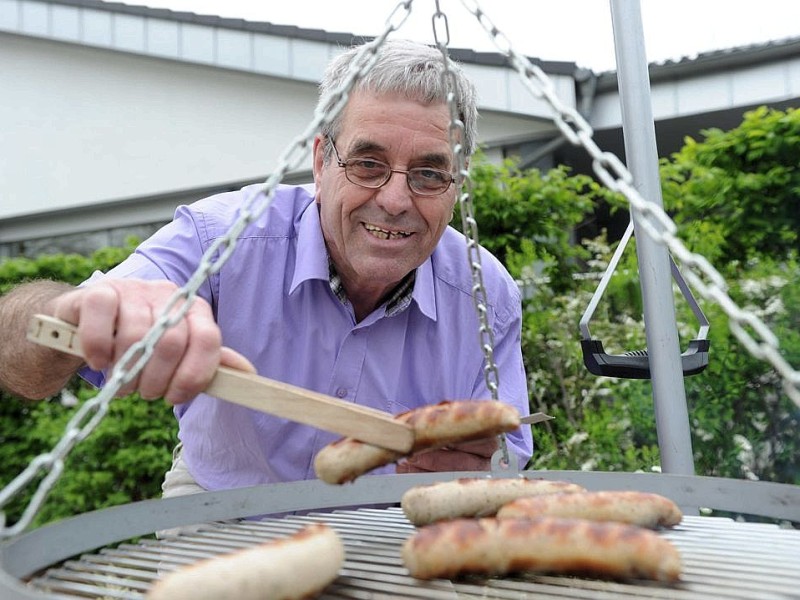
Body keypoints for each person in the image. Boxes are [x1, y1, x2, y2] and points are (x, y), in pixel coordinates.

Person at [0, 39, 533, 498]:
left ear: (457, 185)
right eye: (368, 164)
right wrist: (68, 315)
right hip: (219, 501)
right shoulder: (221, 236)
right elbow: (21, 352)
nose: (395, 199)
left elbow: (507, 458)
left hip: (390, 522)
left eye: (428, 174)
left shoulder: (487, 294)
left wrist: (483, 468)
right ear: (322, 162)